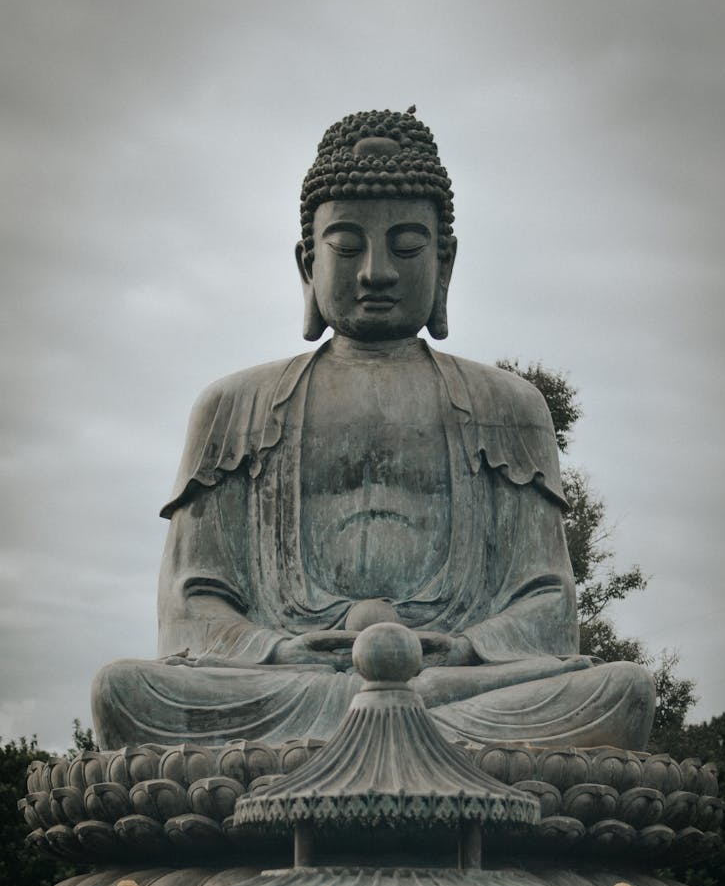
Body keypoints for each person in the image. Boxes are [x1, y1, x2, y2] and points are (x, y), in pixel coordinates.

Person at [92, 108, 655, 752]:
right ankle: (403, 739)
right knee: (125, 692)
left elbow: (549, 604)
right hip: (295, 687)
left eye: (408, 246)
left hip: (448, 683)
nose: (377, 272)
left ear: (444, 264)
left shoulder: (511, 408)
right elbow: (190, 605)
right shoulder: (232, 407)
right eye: (348, 246)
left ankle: (382, 731)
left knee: (621, 691)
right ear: (308, 264)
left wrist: (467, 647)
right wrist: (278, 650)